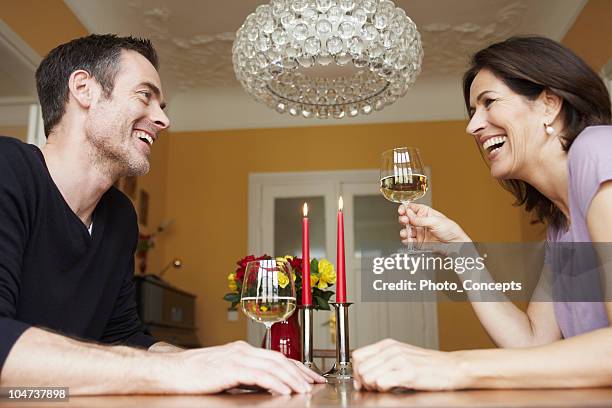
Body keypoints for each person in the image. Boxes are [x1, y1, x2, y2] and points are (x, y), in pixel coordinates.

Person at [0, 34, 323, 395]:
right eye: (145, 96)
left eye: (162, 105)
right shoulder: (7, 169)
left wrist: (219, 363)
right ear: (84, 89)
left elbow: (124, 336)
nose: (163, 120)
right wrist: (179, 369)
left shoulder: (119, 216)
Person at [353, 36, 612, 390]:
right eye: (473, 111)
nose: (472, 126)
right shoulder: (560, 225)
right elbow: (534, 344)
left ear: (549, 105)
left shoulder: (598, 149)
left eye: (488, 102)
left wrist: (456, 365)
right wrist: (462, 251)